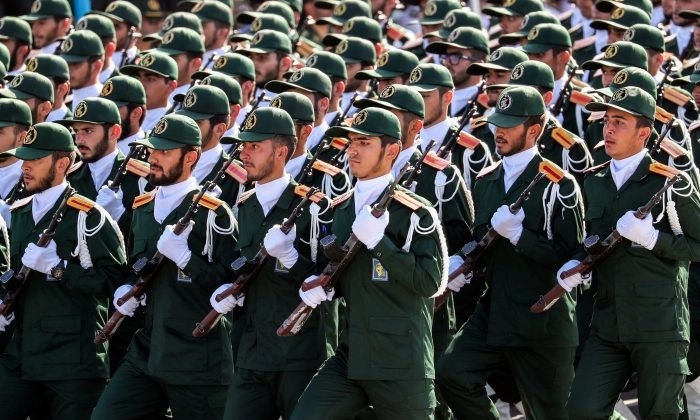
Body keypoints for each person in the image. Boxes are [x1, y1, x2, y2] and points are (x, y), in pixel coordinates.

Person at [290, 106, 448, 419]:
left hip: (400, 361)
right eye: (352, 142)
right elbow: (341, 272)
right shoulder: (343, 208)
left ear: (392, 150)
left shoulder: (414, 211)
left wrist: (380, 244)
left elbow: (431, 282)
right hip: (352, 354)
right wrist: (323, 288)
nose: (353, 150)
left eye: (365, 143)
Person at [436, 86, 584, 419]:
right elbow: (480, 242)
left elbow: (572, 258)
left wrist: (520, 236)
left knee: (555, 413)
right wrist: (463, 263)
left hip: (542, 315)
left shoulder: (559, 185)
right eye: (497, 123)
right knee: (451, 373)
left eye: (509, 125)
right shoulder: (487, 180)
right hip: (496, 310)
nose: (498, 131)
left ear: (534, 130)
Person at [91, 113, 238, 419]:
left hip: (197, 356)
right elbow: (134, 265)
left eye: (165, 152)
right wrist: (126, 288)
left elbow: (234, 287)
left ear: (191, 157)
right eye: (153, 150)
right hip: (148, 349)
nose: (154, 158)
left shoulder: (214, 214)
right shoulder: (143, 208)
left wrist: (187, 260)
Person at [566, 86, 700, 419]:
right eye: (607, 120)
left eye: (619, 122)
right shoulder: (594, 181)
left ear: (644, 133)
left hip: (660, 325)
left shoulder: (670, 182)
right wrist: (574, 262)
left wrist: (653, 239)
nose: (608, 128)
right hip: (609, 323)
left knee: (662, 414)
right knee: (582, 409)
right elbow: (587, 239)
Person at [211, 107, 336, 420]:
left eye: (255, 146)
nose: (245, 153)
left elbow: (331, 282)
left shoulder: (313, 206)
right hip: (252, 350)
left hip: (299, 352)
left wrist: (291, 258)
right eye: (244, 146)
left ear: (281, 152)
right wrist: (229, 288)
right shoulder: (245, 205)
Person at [0, 122, 126, 419]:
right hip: (23, 352)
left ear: (63, 163)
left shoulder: (89, 217)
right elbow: (15, 273)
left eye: (35, 160)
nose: (25, 167)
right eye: (25, 159)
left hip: (73, 360)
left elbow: (114, 282)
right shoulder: (20, 214)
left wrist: (59, 269)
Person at [58, 29, 105, 114]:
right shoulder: (63, 105)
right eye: (66, 63)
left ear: (96, 66)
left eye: (75, 64)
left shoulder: (108, 104)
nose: (68, 69)